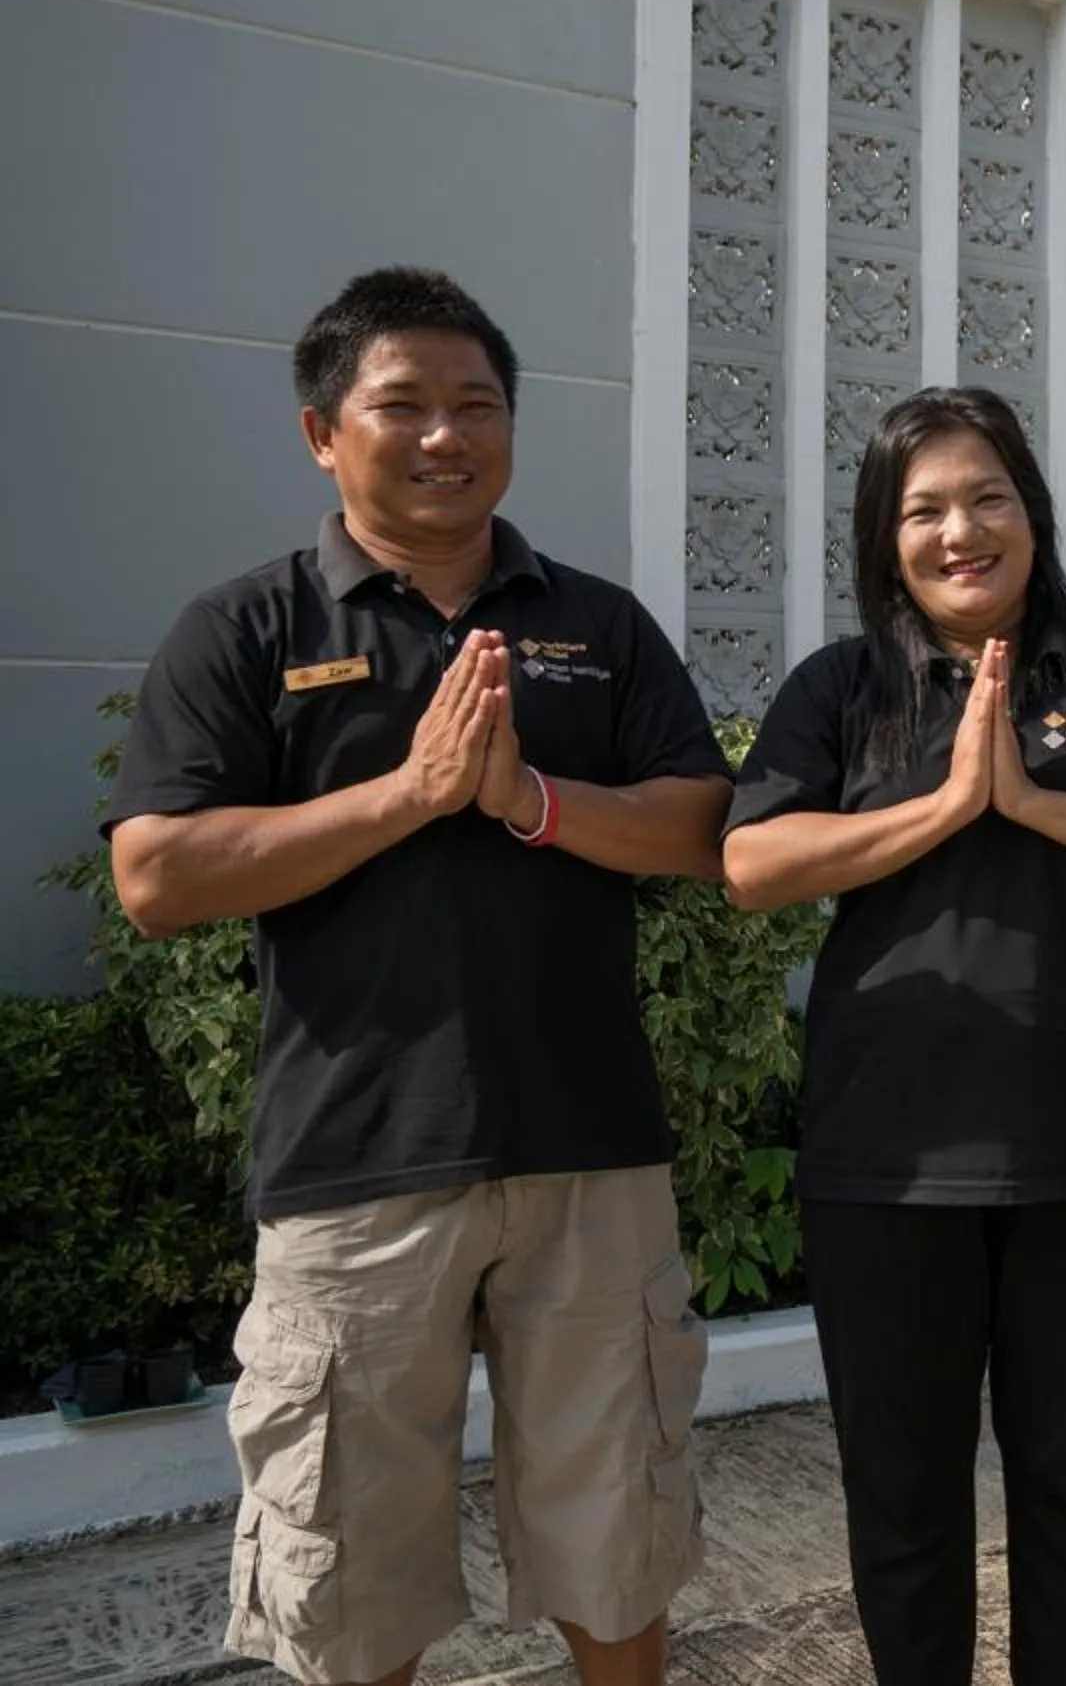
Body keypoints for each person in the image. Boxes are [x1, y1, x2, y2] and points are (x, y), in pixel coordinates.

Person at [104, 267, 732, 1686]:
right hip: (355, 1164)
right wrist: (410, 795)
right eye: (404, 405)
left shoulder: (595, 623)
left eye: (478, 404)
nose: (446, 435)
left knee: (618, 1534)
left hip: (589, 1152)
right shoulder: (250, 627)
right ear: (323, 432)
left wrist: (528, 799)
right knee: (350, 1578)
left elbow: (701, 828)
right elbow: (160, 873)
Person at [721, 387, 1066, 1686]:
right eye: (925, 509)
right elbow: (753, 860)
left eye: (987, 496)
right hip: (886, 1161)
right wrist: (948, 806)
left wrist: (1037, 799)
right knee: (903, 1490)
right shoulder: (842, 688)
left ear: (1033, 512)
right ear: (884, 537)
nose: (960, 530)